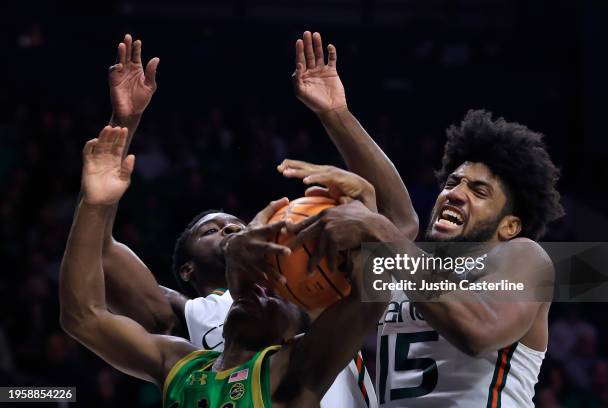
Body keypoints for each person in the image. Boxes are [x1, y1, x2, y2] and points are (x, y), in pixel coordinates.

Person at [98, 32, 419, 408]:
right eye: (211, 230)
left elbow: (398, 225)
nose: (231, 228)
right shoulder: (183, 317)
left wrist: (336, 115)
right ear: (186, 271)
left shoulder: (303, 283)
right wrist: (123, 123)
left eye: (236, 222)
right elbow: (98, 252)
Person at [59, 125, 389, 407]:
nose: (263, 293)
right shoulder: (182, 358)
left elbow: (375, 286)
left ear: (296, 334)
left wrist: (367, 216)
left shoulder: (296, 364)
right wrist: (94, 202)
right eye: (212, 230)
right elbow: (83, 315)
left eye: (274, 294)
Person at [285, 109, 564, 406]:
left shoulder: (525, 257)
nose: (455, 194)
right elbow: (403, 221)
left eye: (479, 191)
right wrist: (335, 112)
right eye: (452, 183)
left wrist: (380, 230)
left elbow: (479, 331)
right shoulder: (405, 270)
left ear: (510, 226)